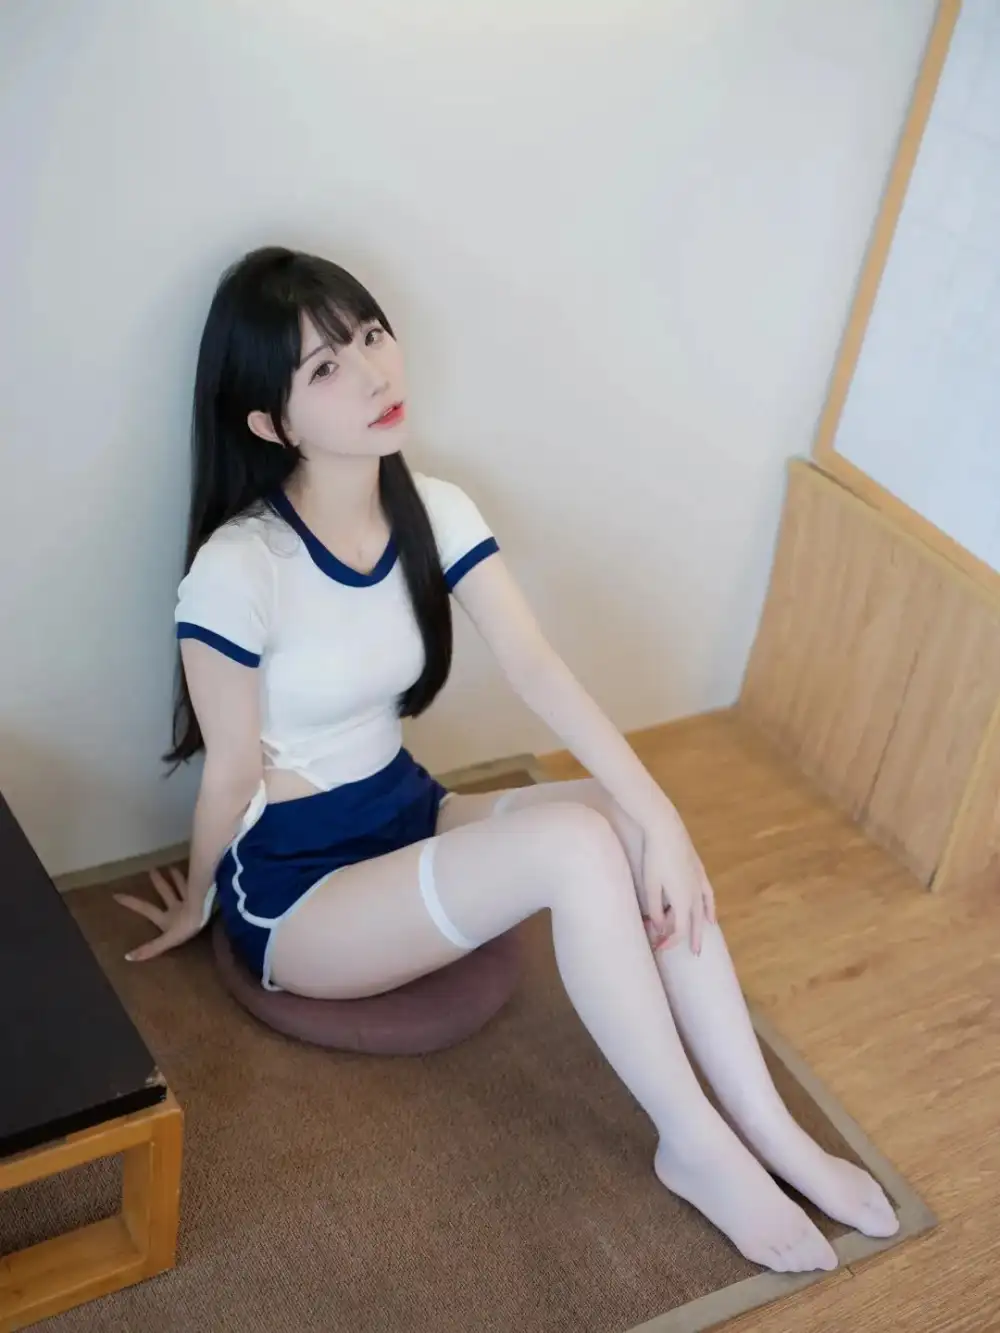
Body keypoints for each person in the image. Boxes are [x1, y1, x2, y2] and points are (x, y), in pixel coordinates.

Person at [116, 245, 898, 1273]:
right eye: (325, 368)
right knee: (573, 844)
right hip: (300, 887)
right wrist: (199, 902)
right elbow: (229, 773)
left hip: (405, 809)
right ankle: (695, 1144)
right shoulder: (239, 567)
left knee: (624, 823)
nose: (373, 373)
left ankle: (771, 1128)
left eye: (369, 335)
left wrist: (661, 819)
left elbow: (536, 668)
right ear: (271, 422)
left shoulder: (433, 507)